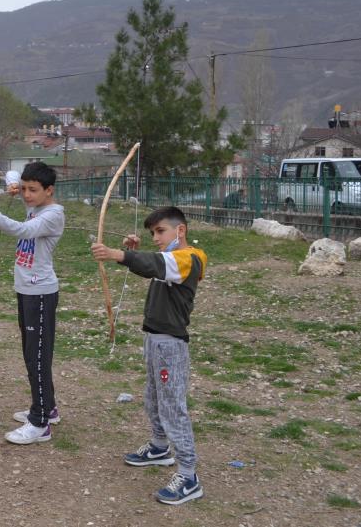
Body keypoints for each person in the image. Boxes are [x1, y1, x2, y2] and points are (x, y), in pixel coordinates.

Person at [90, 206, 208, 505]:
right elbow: (154, 264)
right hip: (154, 339)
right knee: (153, 396)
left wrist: (119, 255)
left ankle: (189, 475)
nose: (155, 238)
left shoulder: (191, 258)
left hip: (171, 344)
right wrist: (129, 256)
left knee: (172, 406)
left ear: (179, 231)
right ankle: (158, 446)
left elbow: (158, 264)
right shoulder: (169, 260)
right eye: (153, 233)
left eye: (160, 231)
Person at [0, 162, 65, 444]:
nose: (26, 194)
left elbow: (21, 231)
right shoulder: (35, 205)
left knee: (36, 357)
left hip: (40, 293)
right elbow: (14, 177)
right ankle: (48, 408)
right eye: (23, 189)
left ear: (49, 191)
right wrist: (14, 186)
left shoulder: (52, 214)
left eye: (33, 190)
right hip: (26, 290)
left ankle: (40, 424)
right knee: (32, 353)